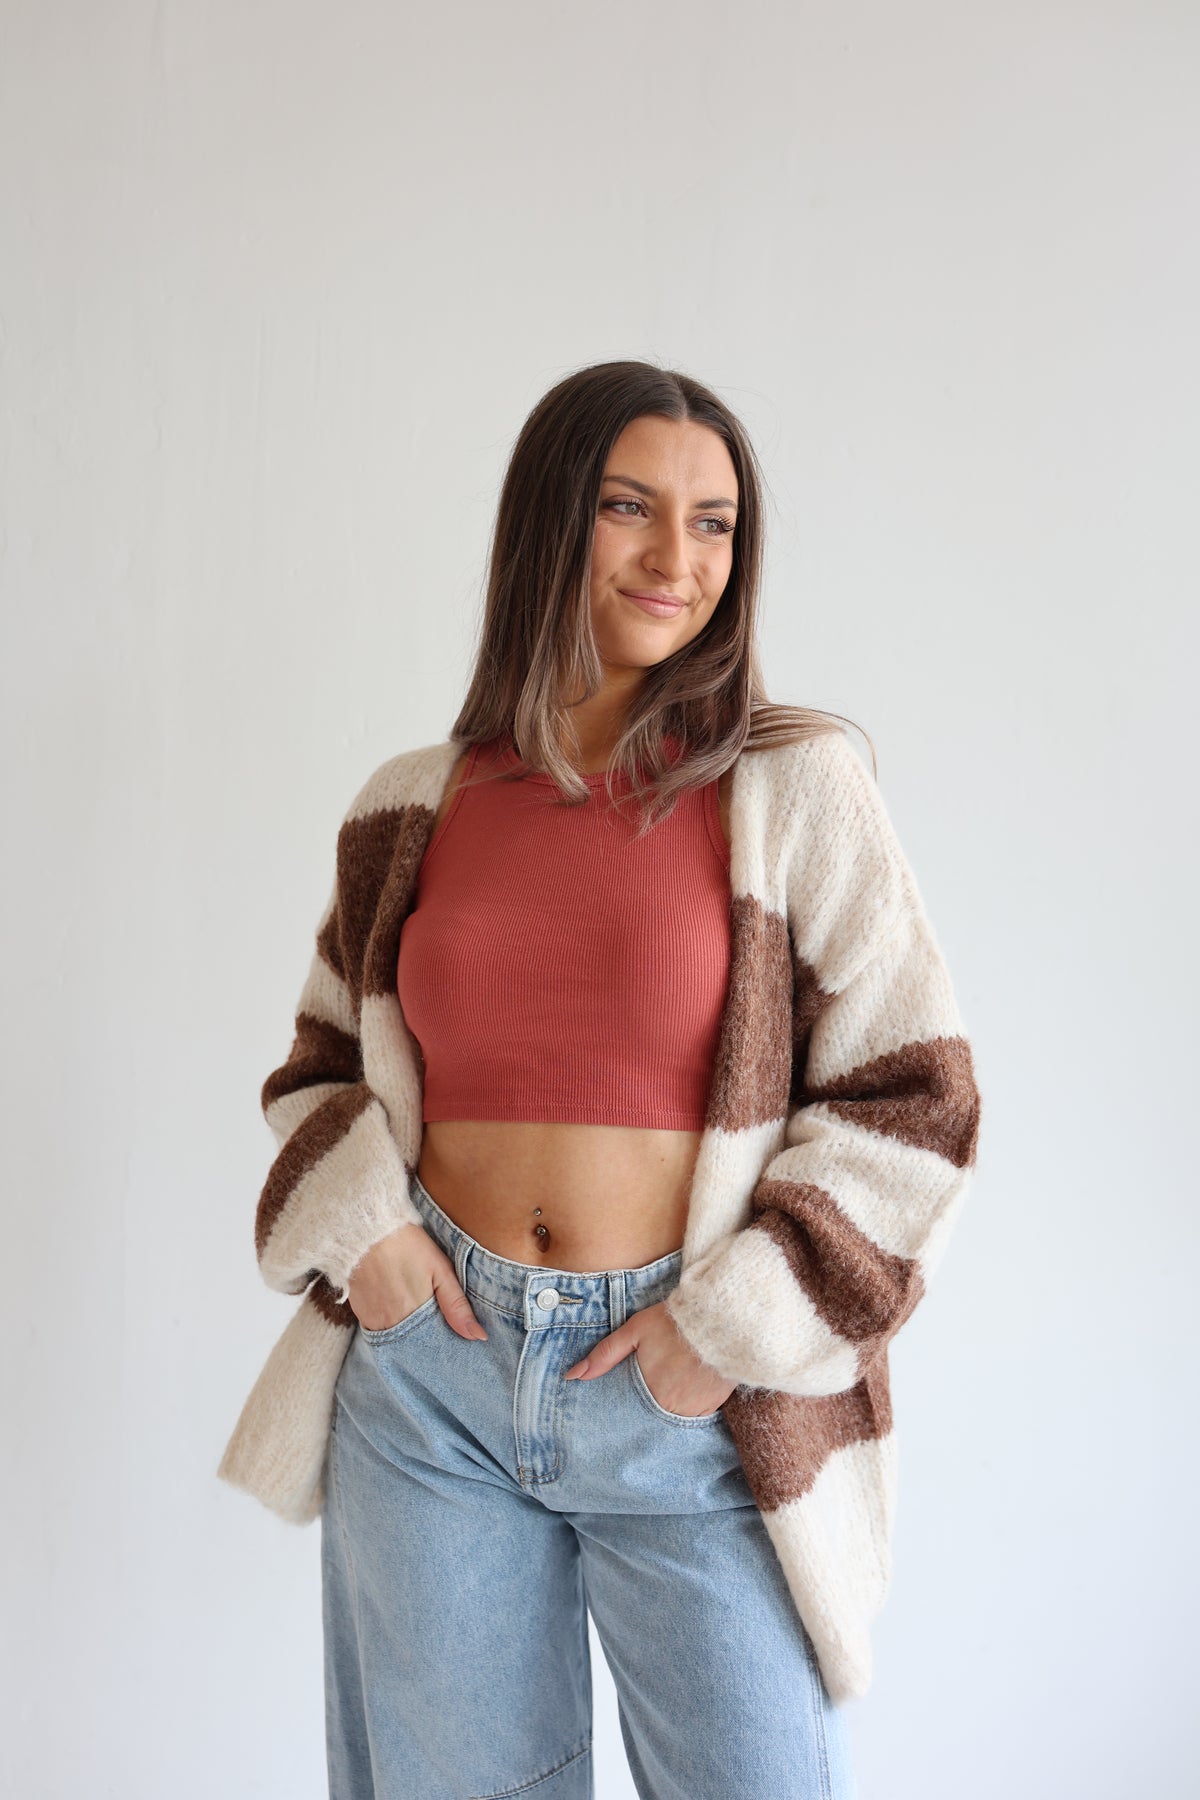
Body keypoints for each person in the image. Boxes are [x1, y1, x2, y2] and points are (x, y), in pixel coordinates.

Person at [217, 359, 982, 1800]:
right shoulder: (413, 802)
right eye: (630, 508)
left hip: (691, 1390)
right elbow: (321, 1067)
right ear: (550, 523)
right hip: (430, 1379)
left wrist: (728, 1329)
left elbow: (914, 1099)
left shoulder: (791, 788)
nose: (675, 558)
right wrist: (372, 1244)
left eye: (714, 523)